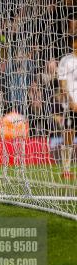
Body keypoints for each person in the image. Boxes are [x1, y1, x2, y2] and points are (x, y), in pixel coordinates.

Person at [57, 39, 77, 180]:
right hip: (71, 105)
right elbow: (62, 83)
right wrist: (71, 101)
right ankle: (66, 169)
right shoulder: (66, 60)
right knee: (69, 135)